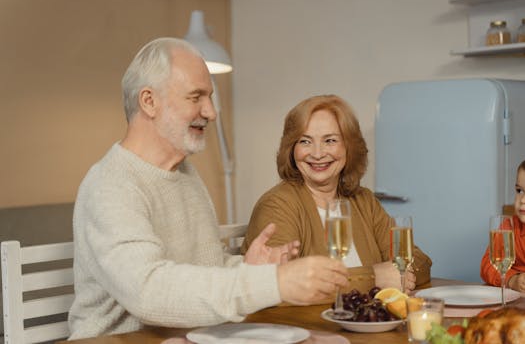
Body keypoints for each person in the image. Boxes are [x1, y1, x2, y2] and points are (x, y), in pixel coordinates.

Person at [68, 38, 349, 340]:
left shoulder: (185, 174)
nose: (211, 112)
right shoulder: (111, 185)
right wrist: (273, 283)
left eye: (210, 97)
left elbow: (202, 270)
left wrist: (251, 269)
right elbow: (148, 291)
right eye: (196, 97)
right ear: (149, 101)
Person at [241, 94, 432, 294]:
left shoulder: (363, 200)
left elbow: (419, 262)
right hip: (306, 325)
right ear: (291, 149)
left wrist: (399, 274)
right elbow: (282, 285)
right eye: (305, 141)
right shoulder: (277, 205)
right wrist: (374, 277)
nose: (317, 153)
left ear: (349, 147)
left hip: (368, 322)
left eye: (330, 140)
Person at [481, 160, 525, 291]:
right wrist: (512, 280)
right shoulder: (509, 227)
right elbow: (487, 265)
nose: (522, 200)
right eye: (519, 191)